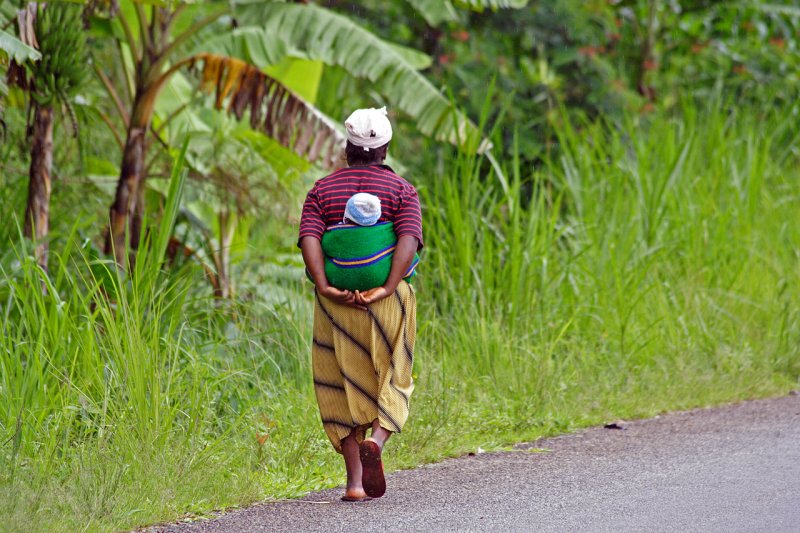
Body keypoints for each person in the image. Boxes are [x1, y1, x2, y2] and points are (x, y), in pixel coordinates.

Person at [298, 107, 422, 502]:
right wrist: (386, 287)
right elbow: (409, 240)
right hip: (388, 303)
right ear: (384, 148)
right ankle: (379, 443)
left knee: (339, 381)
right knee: (394, 373)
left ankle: (353, 483)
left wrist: (325, 284)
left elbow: (310, 239)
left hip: (335, 305)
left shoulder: (322, 190)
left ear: (348, 148)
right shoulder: (402, 190)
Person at [317, 192, 420, 292]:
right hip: (379, 280)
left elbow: (323, 244)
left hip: (338, 281)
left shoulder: (335, 232)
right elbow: (408, 246)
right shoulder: (386, 230)